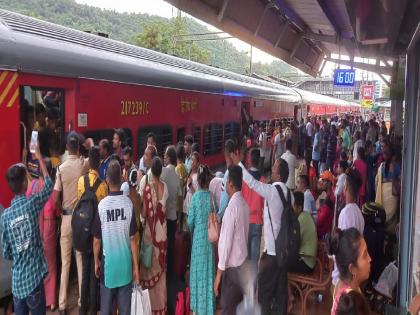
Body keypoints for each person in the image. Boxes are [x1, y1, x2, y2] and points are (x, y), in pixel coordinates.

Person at [235, 154, 294, 314]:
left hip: (271, 255)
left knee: (264, 295)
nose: (272, 171)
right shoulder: (290, 195)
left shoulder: (272, 191)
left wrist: (238, 164)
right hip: (283, 253)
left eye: (274, 168)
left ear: (279, 174)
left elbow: (252, 183)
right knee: (281, 294)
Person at [1, 146, 53, 315]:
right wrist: (39, 158)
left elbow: (6, 252)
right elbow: (49, 186)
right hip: (34, 281)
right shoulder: (32, 204)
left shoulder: (5, 216)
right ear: (25, 183)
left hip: (17, 284)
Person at [92, 160, 139, 315]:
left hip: (108, 267)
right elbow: (133, 239)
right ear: (121, 179)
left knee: (106, 309)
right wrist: (136, 268)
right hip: (125, 266)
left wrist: (96, 262)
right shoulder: (128, 205)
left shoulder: (102, 206)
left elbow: (97, 240)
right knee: (125, 310)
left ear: (107, 181)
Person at [54, 132, 91, 314]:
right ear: (78, 148)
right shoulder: (83, 165)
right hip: (80, 219)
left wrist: (59, 211)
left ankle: (61, 305)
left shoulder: (60, 169)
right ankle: (82, 301)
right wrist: (89, 147)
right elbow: (93, 158)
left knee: (65, 263)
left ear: (67, 148)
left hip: (66, 219)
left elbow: (55, 198)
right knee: (80, 260)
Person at [214, 165, 250, 315]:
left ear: (230, 183)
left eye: (226, 180)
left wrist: (218, 276)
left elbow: (227, 245)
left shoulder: (231, 208)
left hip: (233, 271)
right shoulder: (244, 205)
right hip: (242, 266)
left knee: (228, 309)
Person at [77, 147, 108, 315]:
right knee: (95, 272)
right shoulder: (103, 185)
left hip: (83, 232)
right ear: (100, 162)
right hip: (97, 234)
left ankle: (82, 309)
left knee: (85, 272)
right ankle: (93, 308)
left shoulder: (81, 181)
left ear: (89, 161)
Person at [26, 158, 59, 311]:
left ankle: (39, 299)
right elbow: (55, 208)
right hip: (49, 226)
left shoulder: (32, 186)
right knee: (51, 264)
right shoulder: (51, 187)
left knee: (38, 265)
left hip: (34, 229)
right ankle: (51, 301)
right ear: (50, 171)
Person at [139, 157, 169, 314]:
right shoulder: (165, 187)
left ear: (151, 171)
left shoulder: (147, 188)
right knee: (161, 271)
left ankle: (149, 308)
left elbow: (144, 213)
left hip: (150, 235)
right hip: (162, 235)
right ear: (161, 171)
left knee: (149, 267)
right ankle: (161, 307)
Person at [188, 165, 215, 315]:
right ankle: (209, 308)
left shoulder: (195, 197)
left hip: (198, 241)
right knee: (208, 273)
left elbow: (190, 222)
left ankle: (198, 309)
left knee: (198, 274)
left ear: (198, 180)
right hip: (210, 242)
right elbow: (214, 216)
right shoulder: (211, 197)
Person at [332, 169, 365, 286]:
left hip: (344, 276)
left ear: (345, 187)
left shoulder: (346, 213)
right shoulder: (359, 213)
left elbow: (344, 247)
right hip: (353, 273)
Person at [329, 228, 371, 315]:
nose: (370, 259)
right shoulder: (351, 304)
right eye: (365, 255)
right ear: (352, 269)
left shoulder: (342, 284)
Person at [161, 145, 182, 280]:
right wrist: (179, 216)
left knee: (162, 245)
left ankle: (162, 271)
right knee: (171, 245)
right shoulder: (177, 175)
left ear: (168, 158)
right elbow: (180, 198)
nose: (163, 157)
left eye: (165, 155)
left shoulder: (162, 172)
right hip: (173, 217)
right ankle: (171, 274)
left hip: (163, 217)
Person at [241, 148, 264, 263]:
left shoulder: (244, 179)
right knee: (254, 259)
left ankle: (244, 280)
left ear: (249, 160)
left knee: (244, 257)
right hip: (257, 222)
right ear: (259, 161)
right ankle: (253, 281)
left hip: (245, 221)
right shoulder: (263, 180)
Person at [289, 191, 317, 274]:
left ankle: (288, 287)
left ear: (299, 208)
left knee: (281, 266)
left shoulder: (301, 220)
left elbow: (293, 243)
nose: (291, 208)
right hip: (308, 260)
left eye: (293, 205)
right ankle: (292, 287)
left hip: (306, 264)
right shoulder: (305, 215)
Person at [375, 147, 400, 224]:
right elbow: (400, 179)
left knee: (383, 210)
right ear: (393, 157)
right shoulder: (396, 167)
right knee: (391, 212)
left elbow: (377, 180)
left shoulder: (381, 166)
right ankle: (390, 229)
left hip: (382, 192)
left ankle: (382, 226)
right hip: (392, 194)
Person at [218, 139, 237, 219]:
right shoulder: (239, 170)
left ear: (226, 153)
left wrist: (218, 216)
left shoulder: (228, 174)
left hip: (227, 215)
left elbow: (225, 199)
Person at [316, 171, 335, 239]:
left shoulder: (329, 199)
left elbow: (320, 220)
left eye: (324, 181)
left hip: (324, 233)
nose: (322, 183)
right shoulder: (329, 195)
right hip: (326, 231)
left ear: (329, 183)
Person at [183, 151, 199, 216]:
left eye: (194, 160)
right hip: (187, 200)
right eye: (191, 160)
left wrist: (190, 185)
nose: (192, 162)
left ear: (198, 163)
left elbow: (197, 194)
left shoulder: (198, 176)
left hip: (193, 202)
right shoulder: (190, 173)